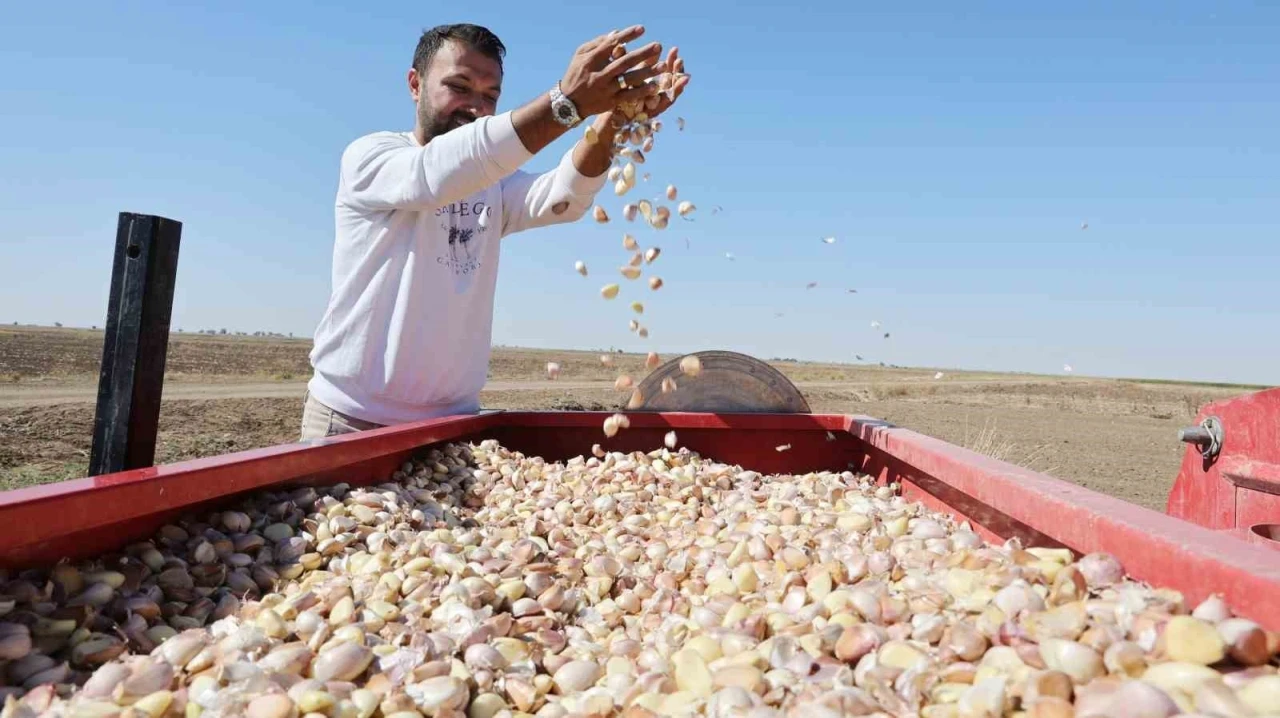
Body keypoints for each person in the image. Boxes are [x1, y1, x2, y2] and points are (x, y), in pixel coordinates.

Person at [300, 23, 689, 440]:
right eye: (459, 87)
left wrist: (616, 120)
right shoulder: (373, 159)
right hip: (350, 421)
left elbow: (563, 195)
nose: (474, 107)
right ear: (415, 84)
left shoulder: (491, 183)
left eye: (490, 97)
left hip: (451, 426)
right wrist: (568, 103)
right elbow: (435, 174)